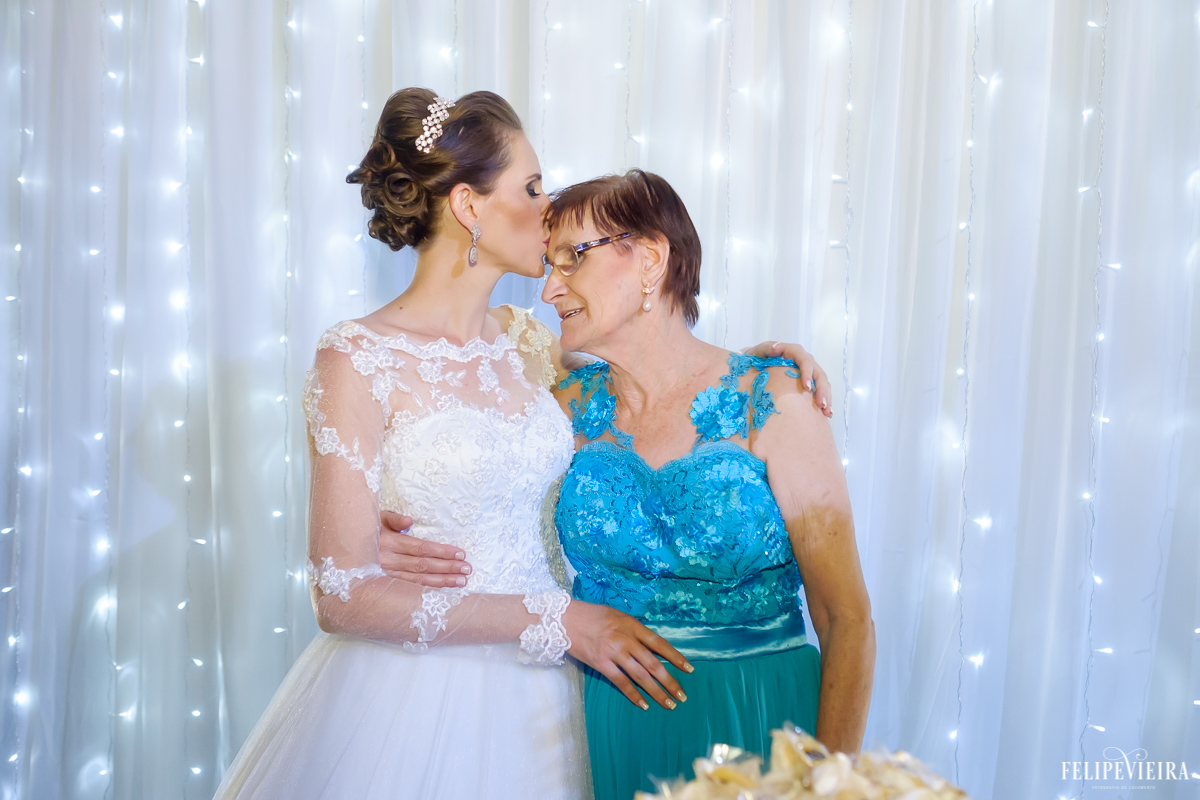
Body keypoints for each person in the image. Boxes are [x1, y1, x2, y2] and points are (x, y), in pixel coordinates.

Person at [213, 89, 695, 800]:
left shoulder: (533, 344)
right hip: (415, 697)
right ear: (470, 208)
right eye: (532, 188)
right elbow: (341, 595)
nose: (549, 209)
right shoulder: (356, 356)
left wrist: (763, 366)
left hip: (555, 696)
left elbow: (660, 385)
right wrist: (555, 619)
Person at [381, 169, 872, 800]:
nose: (550, 289)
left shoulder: (773, 400)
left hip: (763, 720)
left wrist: (827, 785)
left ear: (649, 258)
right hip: (609, 720)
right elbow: (456, 457)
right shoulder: (559, 407)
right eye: (548, 264)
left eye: (571, 260)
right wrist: (385, 533)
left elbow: (846, 617)